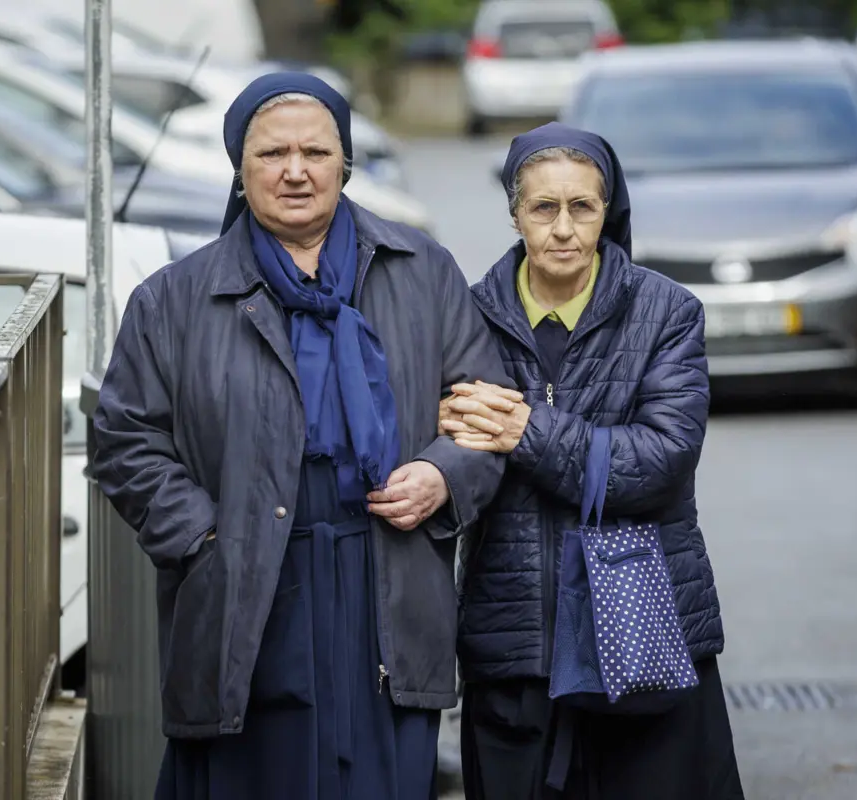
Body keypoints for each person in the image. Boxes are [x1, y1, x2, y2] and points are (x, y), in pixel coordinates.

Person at [91, 72, 513, 800]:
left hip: (385, 568)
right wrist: (204, 537)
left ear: (344, 163)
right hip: (246, 577)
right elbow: (125, 440)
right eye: (271, 154)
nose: (294, 171)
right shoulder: (174, 299)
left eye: (315, 153)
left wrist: (443, 475)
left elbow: (485, 412)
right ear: (239, 169)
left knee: (380, 776)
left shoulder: (422, 273)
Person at [441, 123, 745, 799]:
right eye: (543, 208)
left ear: (607, 211)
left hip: (646, 635)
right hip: (513, 640)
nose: (563, 228)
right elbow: (449, 452)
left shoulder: (665, 312)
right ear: (515, 211)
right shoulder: (467, 318)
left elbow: (662, 458)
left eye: (583, 206)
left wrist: (526, 430)